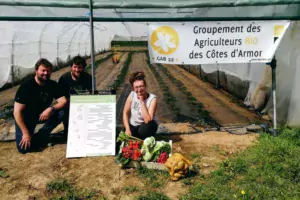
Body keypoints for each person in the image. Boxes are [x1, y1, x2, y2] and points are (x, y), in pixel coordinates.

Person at [14, 58, 67, 154]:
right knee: (23, 149)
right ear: (36, 71)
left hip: (42, 115)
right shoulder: (26, 87)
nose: (46, 73)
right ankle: (33, 137)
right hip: (27, 118)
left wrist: (51, 108)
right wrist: (25, 133)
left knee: (62, 112)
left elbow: (63, 101)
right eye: (43, 70)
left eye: (48, 71)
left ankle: (42, 135)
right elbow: (17, 112)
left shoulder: (52, 85)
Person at [58, 56, 92, 139]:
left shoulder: (88, 78)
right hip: (68, 104)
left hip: (83, 103)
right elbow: (61, 97)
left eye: (80, 67)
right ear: (71, 67)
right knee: (64, 113)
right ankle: (67, 129)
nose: (77, 70)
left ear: (83, 68)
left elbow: (90, 94)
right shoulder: (64, 79)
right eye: (75, 67)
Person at [123, 71, 158, 140]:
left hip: (146, 126)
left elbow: (147, 120)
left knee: (145, 129)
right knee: (126, 136)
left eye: (141, 86)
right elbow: (125, 112)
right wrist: (127, 129)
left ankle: (147, 137)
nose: (139, 90)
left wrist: (142, 101)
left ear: (145, 86)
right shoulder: (132, 94)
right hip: (134, 125)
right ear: (133, 88)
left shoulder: (152, 99)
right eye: (136, 87)